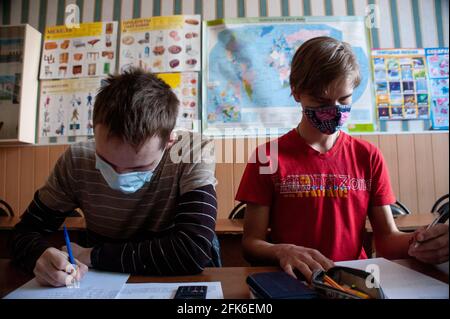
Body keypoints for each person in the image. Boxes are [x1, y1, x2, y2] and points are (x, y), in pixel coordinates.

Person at [236, 37, 448, 281]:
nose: (335, 110)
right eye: (321, 101)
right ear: (295, 91)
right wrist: (282, 250)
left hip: (354, 282)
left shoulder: (367, 156)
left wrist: (423, 241)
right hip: (293, 281)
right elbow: (251, 244)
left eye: (344, 99)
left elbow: (387, 240)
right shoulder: (267, 157)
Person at [10, 68, 218, 287]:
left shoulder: (191, 151)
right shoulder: (78, 159)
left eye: (139, 167)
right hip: (100, 282)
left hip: (177, 280)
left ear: (169, 142)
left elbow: (193, 250)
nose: (119, 176)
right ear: (94, 130)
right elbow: (23, 233)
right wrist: (38, 256)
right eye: (106, 162)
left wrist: (92, 255)